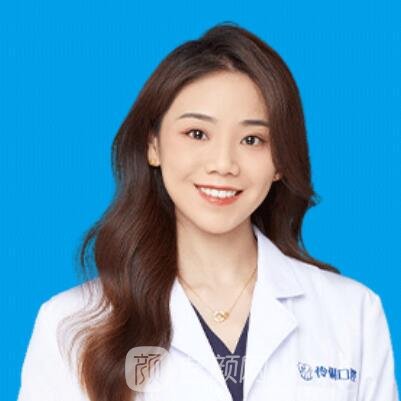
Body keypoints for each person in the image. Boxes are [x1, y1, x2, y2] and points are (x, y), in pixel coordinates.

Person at [17, 22, 399, 401]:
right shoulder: (70, 325)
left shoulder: (352, 313)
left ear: (281, 161)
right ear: (153, 145)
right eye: (197, 134)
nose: (223, 164)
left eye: (252, 139)